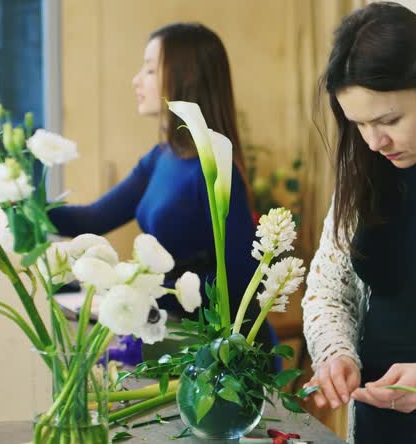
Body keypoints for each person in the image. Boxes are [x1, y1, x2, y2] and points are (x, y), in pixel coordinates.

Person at [49, 22, 276, 352]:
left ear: (187, 78)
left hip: (222, 352)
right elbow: (92, 219)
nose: (136, 80)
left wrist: (147, 287)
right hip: (176, 331)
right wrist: (12, 203)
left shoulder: (214, 169)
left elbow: (239, 281)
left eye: (151, 69)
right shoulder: (161, 158)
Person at [302, 2, 416, 444]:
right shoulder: (367, 167)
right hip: (380, 425)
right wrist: (335, 352)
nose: (374, 141)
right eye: (358, 124)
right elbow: (329, 288)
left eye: (389, 120)